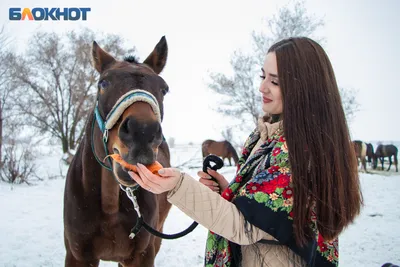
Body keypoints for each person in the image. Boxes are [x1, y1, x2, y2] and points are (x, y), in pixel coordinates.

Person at [129, 37, 363, 267]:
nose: (262, 87)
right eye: (263, 76)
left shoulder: (300, 152)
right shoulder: (266, 137)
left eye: (275, 82)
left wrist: (177, 185)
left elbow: (243, 226)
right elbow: (265, 209)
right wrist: (230, 192)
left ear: (303, 88)